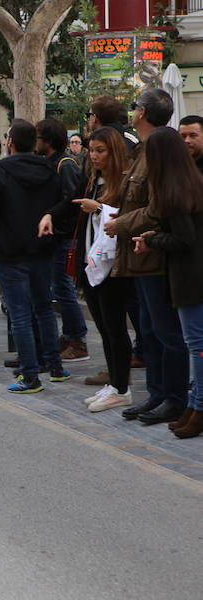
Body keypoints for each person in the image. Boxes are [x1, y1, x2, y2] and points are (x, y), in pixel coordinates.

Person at [103, 88, 188, 425]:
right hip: (139, 254)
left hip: (153, 252)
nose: (132, 111)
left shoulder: (159, 147)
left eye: (135, 106)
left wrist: (121, 224)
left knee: (167, 333)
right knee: (150, 331)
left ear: (142, 113)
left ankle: (175, 397)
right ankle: (156, 395)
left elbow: (157, 207)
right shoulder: (143, 149)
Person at [43, 127, 132, 412]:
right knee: (105, 328)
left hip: (114, 265)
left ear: (114, 152)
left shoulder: (125, 181)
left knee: (115, 327)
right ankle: (115, 383)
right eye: (91, 150)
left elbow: (128, 219)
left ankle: (122, 387)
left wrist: (98, 208)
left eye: (100, 150)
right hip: (91, 261)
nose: (93, 155)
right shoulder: (94, 179)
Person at [0, 119, 69, 393]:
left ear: (11, 142)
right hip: (42, 247)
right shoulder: (50, 170)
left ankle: (30, 375)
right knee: (43, 308)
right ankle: (55, 365)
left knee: (19, 314)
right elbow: (58, 204)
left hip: (9, 250)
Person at [132, 127, 203, 437]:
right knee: (196, 346)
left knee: (197, 346)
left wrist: (154, 240)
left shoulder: (174, 189)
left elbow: (184, 239)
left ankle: (198, 407)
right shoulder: (191, 181)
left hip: (190, 277)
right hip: (191, 275)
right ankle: (194, 404)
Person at [36, 118, 89, 362]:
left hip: (65, 236)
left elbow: (70, 200)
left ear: (47, 140)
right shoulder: (50, 162)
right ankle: (69, 337)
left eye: (38, 137)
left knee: (63, 288)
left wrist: (51, 215)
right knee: (59, 288)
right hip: (55, 236)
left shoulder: (65, 164)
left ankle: (77, 339)